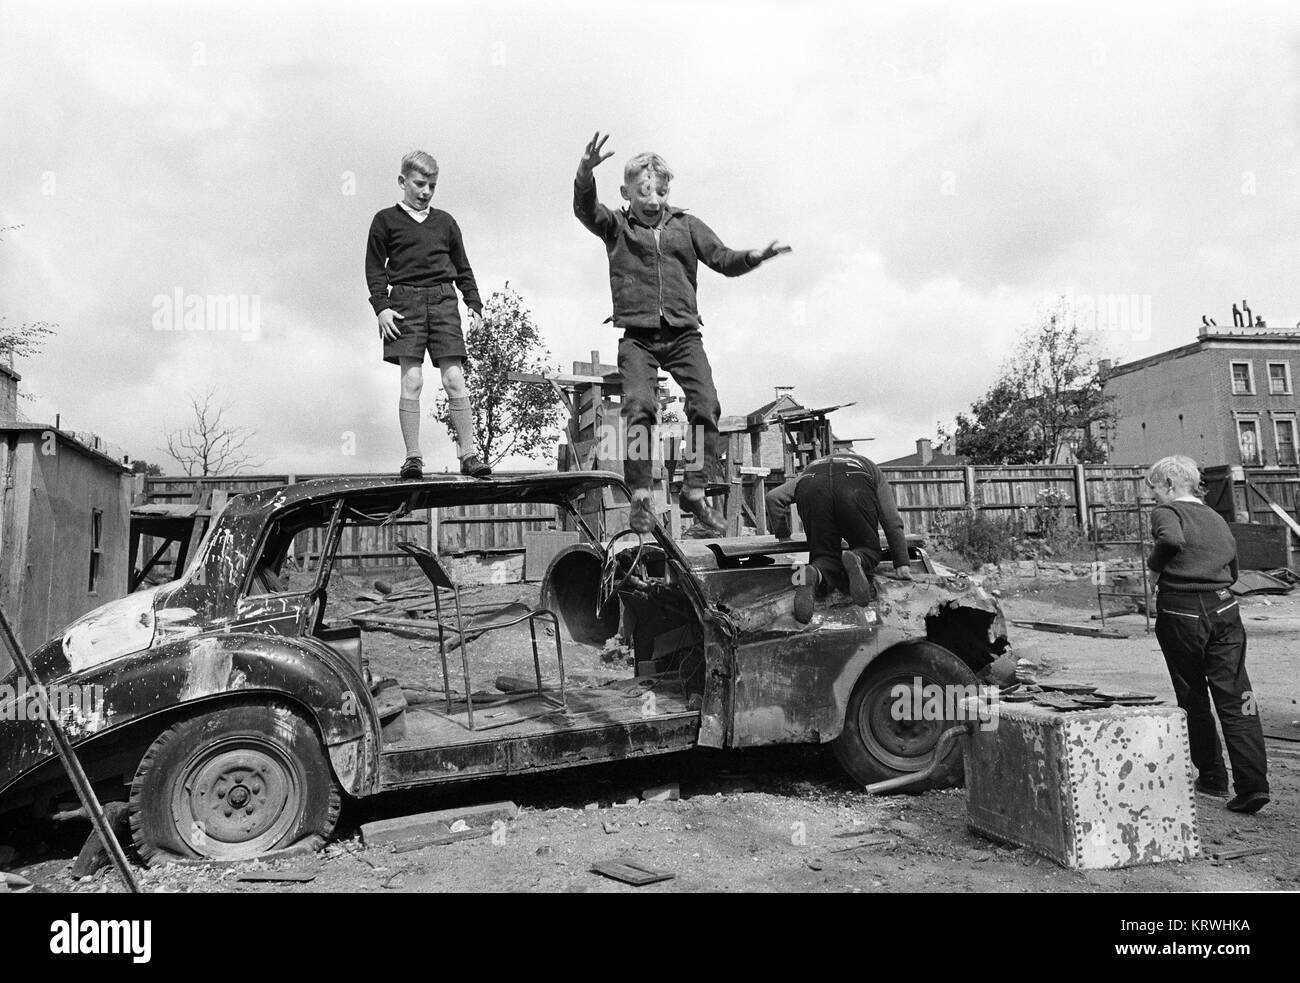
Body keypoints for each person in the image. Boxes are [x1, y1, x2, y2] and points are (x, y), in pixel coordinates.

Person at [573, 132, 790, 536]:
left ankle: (694, 486)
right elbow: (586, 210)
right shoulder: (617, 226)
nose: (652, 200)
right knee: (639, 406)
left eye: (659, 191)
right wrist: (585, 173)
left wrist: (754, 257)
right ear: (627, 192)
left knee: (705, 404)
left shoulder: (687, 226)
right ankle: (640, 494)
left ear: (668, 190)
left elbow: (723, 259)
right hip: (638, 337)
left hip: (684, 334)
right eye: (643, 193)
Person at [1146, 455, 1269, 813]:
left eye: (1154, 489)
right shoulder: (1216, 516)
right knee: (1238, 696)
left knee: (1193, 696)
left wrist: (1154, 570)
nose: (1154, 497)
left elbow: (1169, 540)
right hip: (1225, 608)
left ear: (1169, 484)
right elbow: (1232, 567)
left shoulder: (1167, 513)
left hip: (1181, 610)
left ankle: (1213, 777)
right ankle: (1252, 785)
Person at [365, 150, 491, 480]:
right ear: (402, 182)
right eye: (420, 184)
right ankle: (413, 458)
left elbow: (463, 266)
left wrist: (473, 302)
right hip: (404, 303)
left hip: (443, 299)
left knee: (453, 378)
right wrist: (382, 307)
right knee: (412, 379)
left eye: (432, 186)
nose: (426, 192)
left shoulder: (446, 222)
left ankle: (468, 454)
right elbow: (375, 268)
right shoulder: (384, 221)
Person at [765, 453, 912, 624]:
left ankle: (813, 572)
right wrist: (902, 563)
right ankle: (858, 557)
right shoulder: (871, 468)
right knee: (868, 549)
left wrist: (783, 536)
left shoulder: (810, 470)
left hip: (812, 485)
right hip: (856, 484)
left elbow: (773, 497)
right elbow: (891, 518)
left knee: (824, 557)